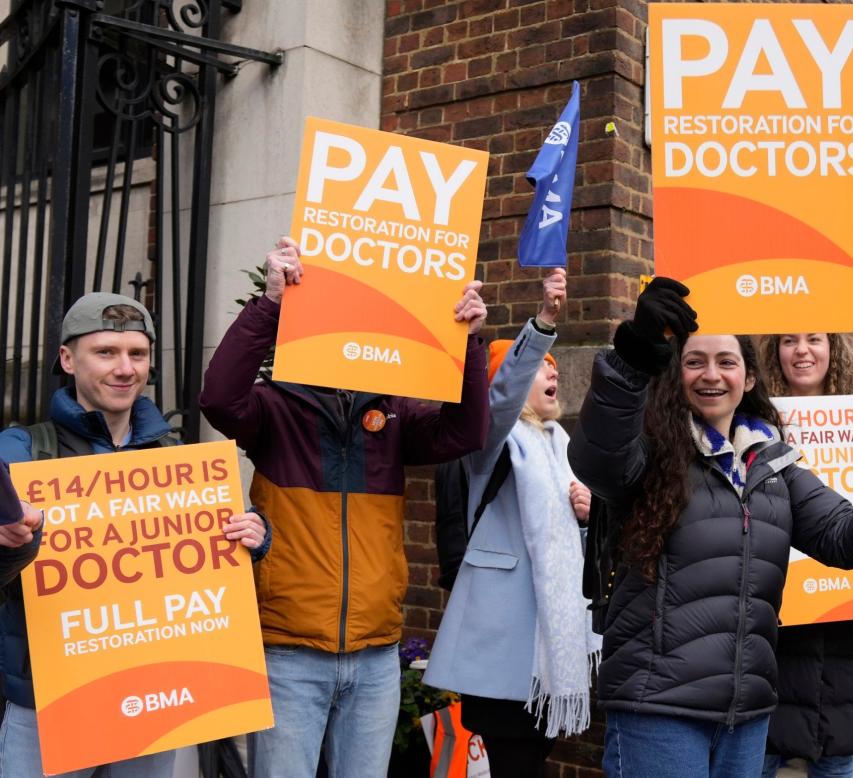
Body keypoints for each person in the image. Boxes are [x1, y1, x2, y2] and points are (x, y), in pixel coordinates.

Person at [567, 279, 853, 777]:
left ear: (749, 378)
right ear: (674, 373)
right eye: (694, 361)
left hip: (745, 714)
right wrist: (633, 357)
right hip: (659, 707)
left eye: (727, 362)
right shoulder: (650, 450)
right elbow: (597, 455)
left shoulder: (774, 466)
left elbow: (846, 538)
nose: (712, 375)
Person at [199, 238, 490, 778]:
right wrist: (271, 304)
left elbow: (466, 431)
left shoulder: (393, 410)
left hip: (377, 655)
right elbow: (218, 399)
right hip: (290, 652)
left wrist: (470, 345)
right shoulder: (274, 408)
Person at [0, 293, 270, 778]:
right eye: (105, 352)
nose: (124, 368)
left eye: (137, 354)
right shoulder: (20, 451)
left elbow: (217, 557)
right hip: (50, 703)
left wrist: (253, 535)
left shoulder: (182, 458)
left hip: (151, 699)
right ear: (67, 358)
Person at [424, 269, 599, 777]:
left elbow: (575, 539)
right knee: (514, 761)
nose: (552, 372)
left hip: (550, 641)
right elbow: (498, 403)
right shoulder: (490, 441)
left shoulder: (559, 442)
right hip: (505, 645)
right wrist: (544, 322)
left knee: (531, 760)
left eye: (553, 366)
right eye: (538, 368)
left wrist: (589, 516)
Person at [757, 333, 853, 778]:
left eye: (814, 338)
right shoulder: (752, 423)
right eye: (789, 340)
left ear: (834, 348)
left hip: (844, 618)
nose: (802, 350)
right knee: (759, 755)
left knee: (835, 758)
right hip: (775, 615)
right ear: (774, 352)